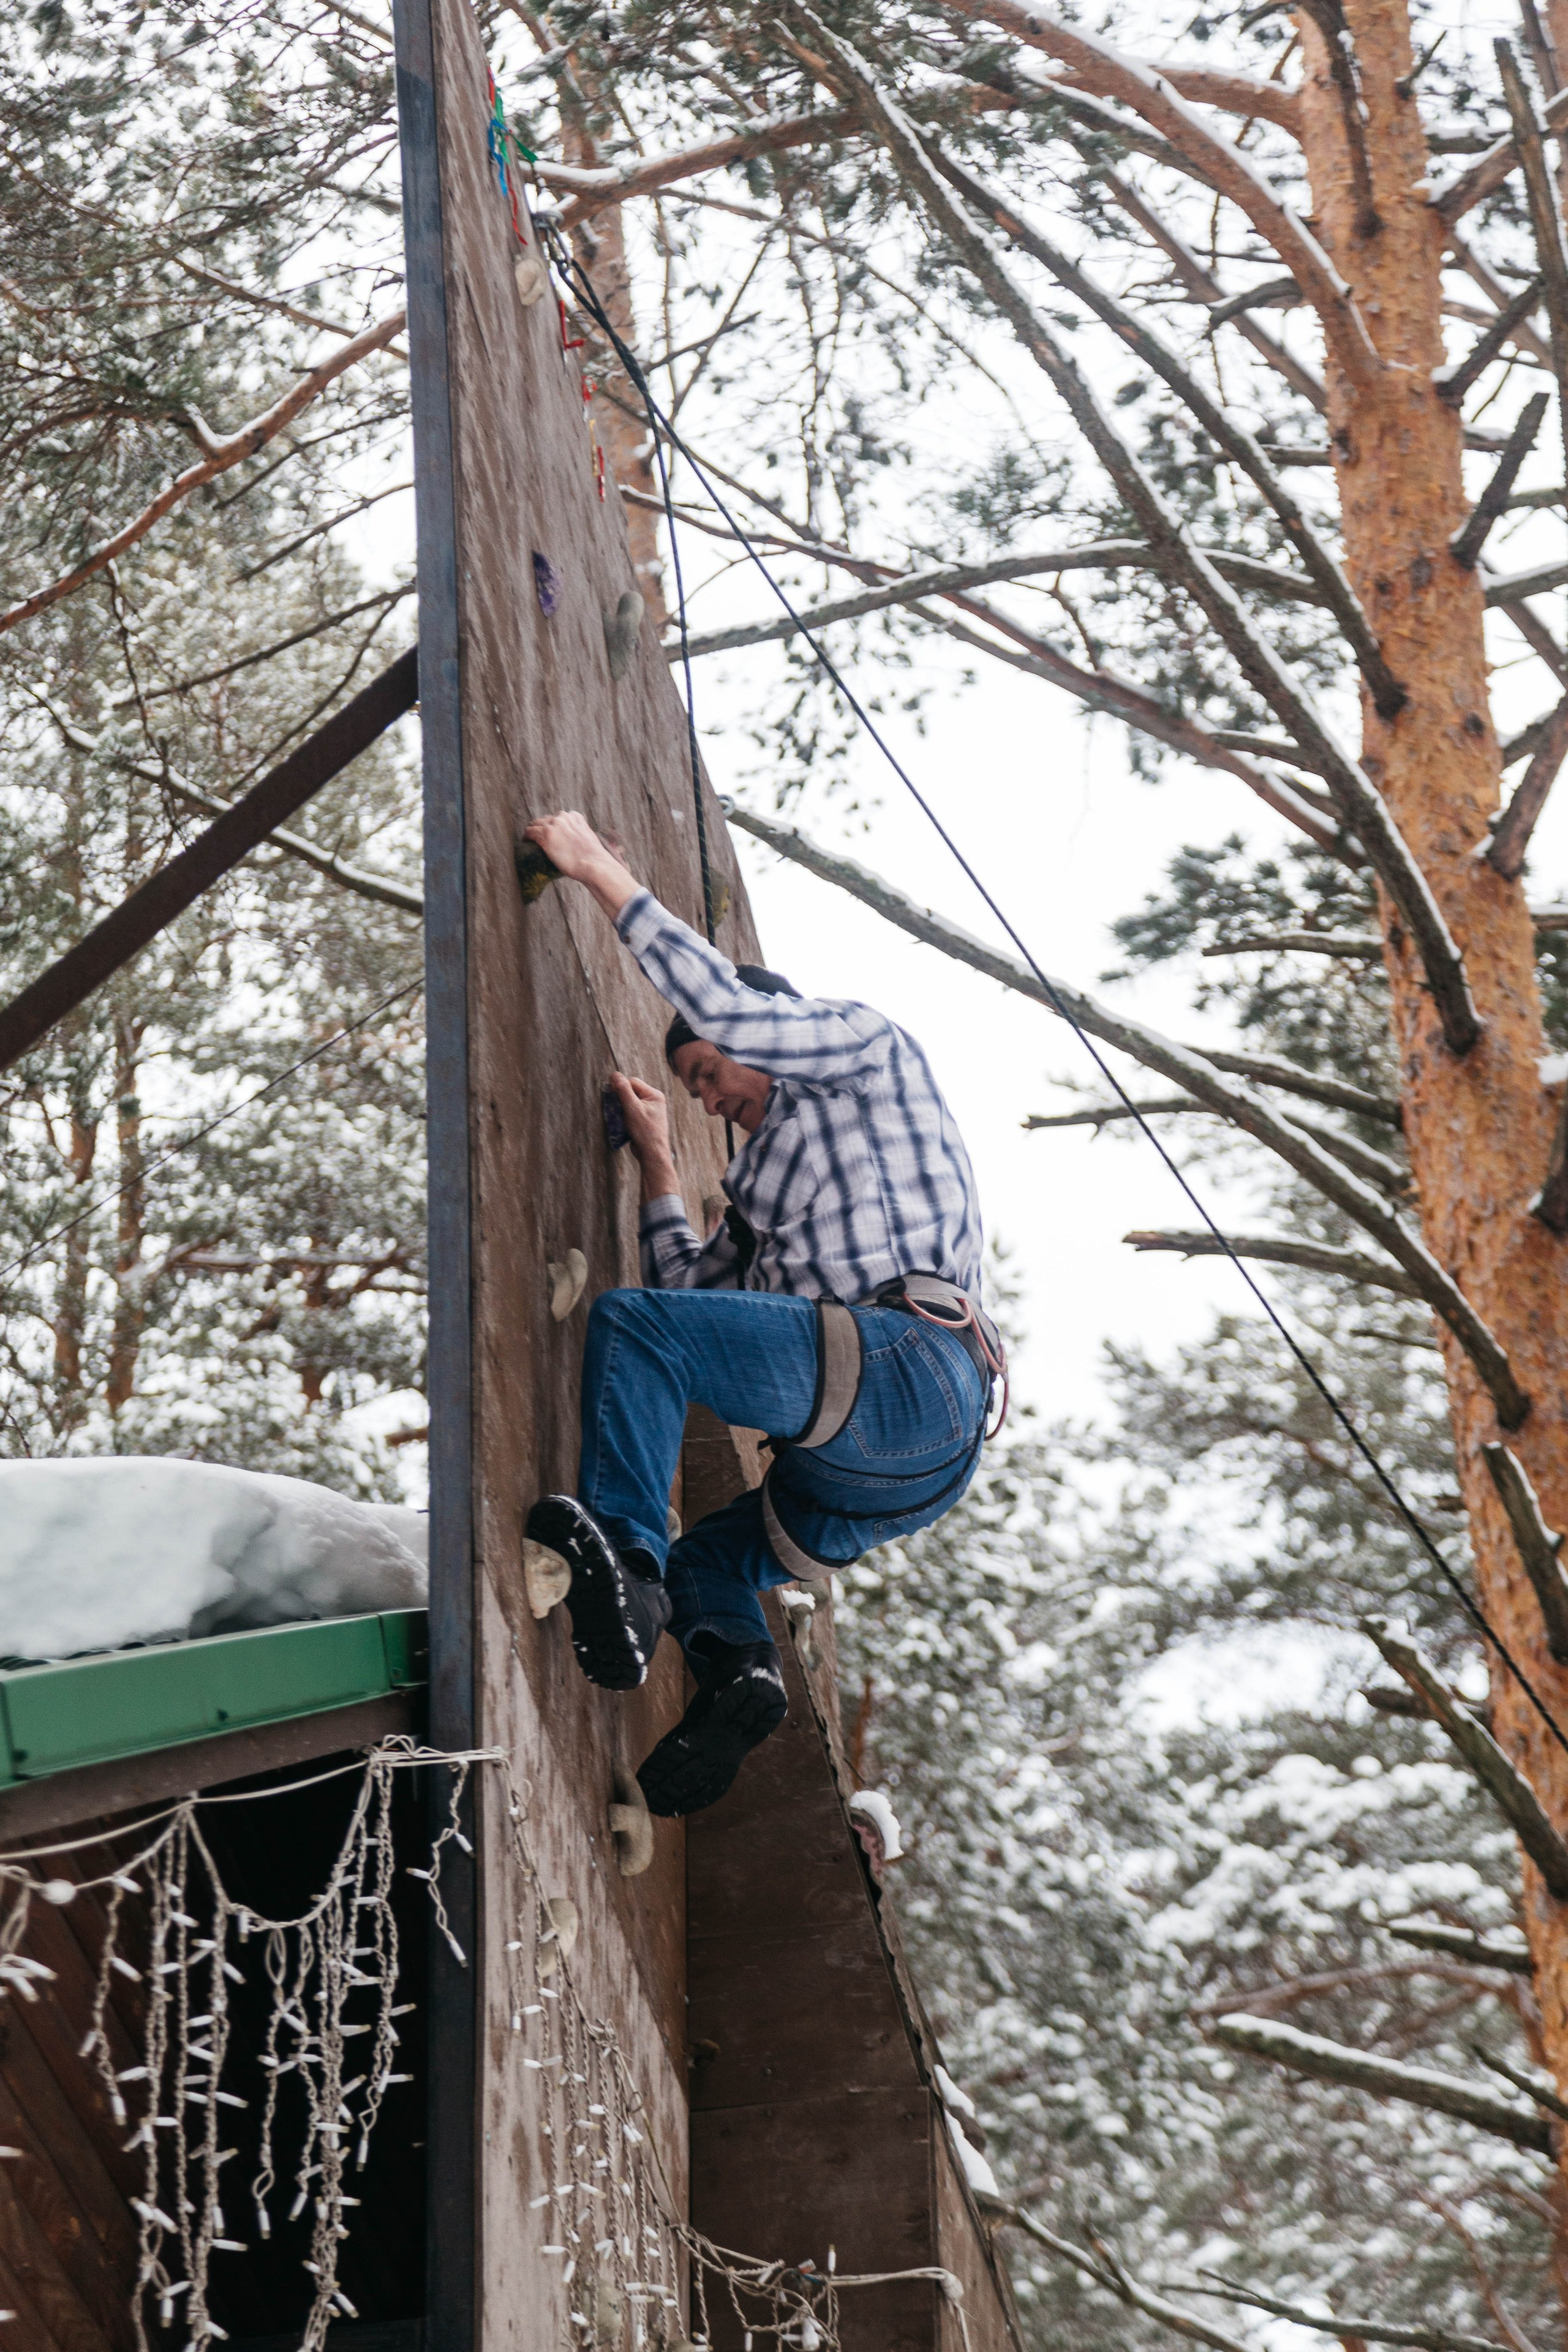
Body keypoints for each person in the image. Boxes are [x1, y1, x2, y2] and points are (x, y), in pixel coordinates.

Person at [521, 810, 1002, 1818]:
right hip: (885, 1475)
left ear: (764, 1041)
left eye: (710, 1076)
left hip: (912, 1362)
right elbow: (694, 1301)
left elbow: (735, 1014)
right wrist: (656, 1163)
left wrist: (600, 868)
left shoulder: (865, 1054)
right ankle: (737, 1671)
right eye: (693, 1089)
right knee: (714, 1560)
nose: (707, 1100)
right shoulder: (762, 1197)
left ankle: (624, 1565)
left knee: (632, 1328)